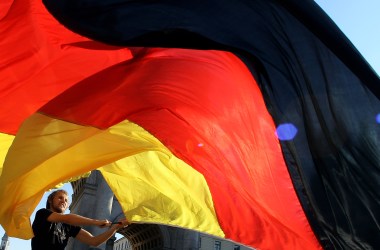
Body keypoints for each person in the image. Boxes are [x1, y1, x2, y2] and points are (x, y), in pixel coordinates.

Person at [31, 189, 129, 250]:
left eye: (66, 200)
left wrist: (115, 228)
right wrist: (96, 222)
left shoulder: (68, 226)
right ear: (50, 200)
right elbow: (68, 218)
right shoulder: (42, 213)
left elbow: (94, 241)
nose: (63, 201)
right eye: (60, 198)